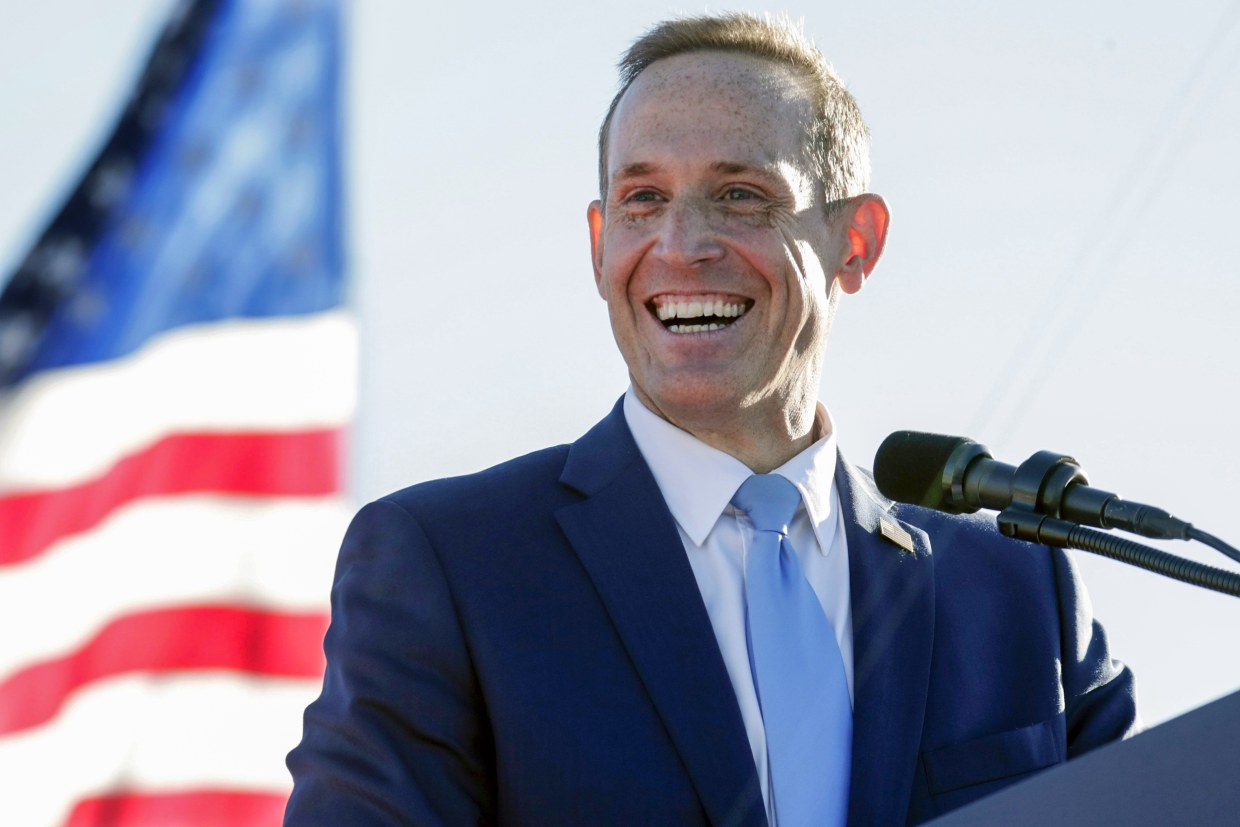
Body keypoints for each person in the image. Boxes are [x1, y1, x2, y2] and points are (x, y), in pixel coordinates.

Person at [285, 13, 1138, 826]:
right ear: (598, 242)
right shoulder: (450, 566)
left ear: (857, 241)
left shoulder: (1023, 600)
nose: (682, 243)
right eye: (643, 199)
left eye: (740, 195)